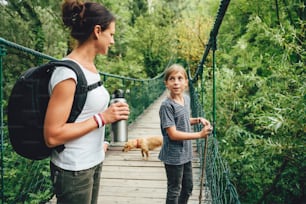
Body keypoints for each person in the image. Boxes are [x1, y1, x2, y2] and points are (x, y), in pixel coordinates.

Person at [43, 1, 129, 203]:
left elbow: (83, 114)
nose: (113, 41)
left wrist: (99, 143)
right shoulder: (67, 74)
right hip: (74, 170)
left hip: (94, 161)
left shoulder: (90, 68)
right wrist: (103, 118)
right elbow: (52, 136)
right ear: (97, 31)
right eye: (112, 34)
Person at [158, 64, 213, 204]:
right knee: (174, 189)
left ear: (186, 83)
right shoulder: (167, 106)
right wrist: (199, 135)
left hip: (186, 153)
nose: (176, 82)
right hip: (173, 155)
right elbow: (173, 134)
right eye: (172, 79)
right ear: (166, 83)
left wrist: (198, 120)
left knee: (188, 187)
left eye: (180, 78)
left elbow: (182, 120)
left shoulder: (185, 99)